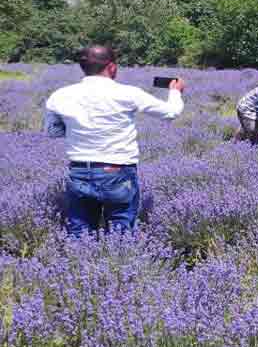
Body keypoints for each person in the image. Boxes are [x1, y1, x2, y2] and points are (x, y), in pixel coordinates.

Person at [42, 46, 185, 237]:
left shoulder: (60, 95)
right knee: (121, 233)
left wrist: (80, 128)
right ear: (111, 67)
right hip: (117, 171)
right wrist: (175, 91)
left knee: (79, 233)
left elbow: (52, 131)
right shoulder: (128, 93)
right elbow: (171, 112)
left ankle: (79, 257)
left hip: (79, 171)